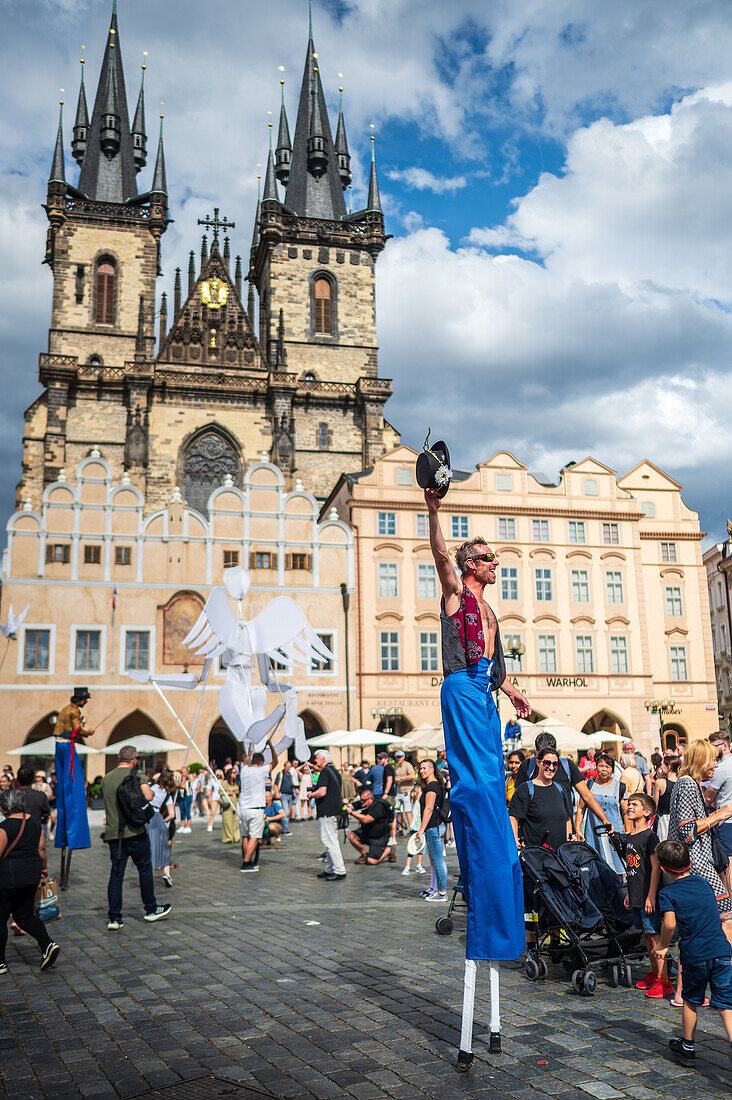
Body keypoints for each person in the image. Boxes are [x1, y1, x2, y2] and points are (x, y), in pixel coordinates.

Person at [425, 488, 529, 964]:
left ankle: (494, 849)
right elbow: (440, 553)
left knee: (493, 777)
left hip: (485, 690)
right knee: (480, 782)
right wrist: (433, 509)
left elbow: (496, 663)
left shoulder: (490, 612)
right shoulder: (457, 595)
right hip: (462, 687)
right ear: (470, 565)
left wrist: (512, 692)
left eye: (496, 559)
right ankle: (482, 845)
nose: (495, 565)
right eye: (488, 559)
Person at [653, 839, 732, 1068]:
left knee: (690, 1000)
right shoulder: (705, 883)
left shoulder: (668, 893)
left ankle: (687, 1047)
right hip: (721, 951)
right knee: (726, 1004)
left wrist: (662, 946)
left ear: (663, 867)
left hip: (695, 955)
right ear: (689, 862)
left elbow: (669, 924)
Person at [669, 738, 732, 948]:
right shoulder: (686, 783)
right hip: (694, 863)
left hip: (693, 863)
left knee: (696, 922)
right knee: (726, 915)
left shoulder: (691, 783)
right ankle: (725, 967)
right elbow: (687, 831)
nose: (715, 765)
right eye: (711, 760)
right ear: (699, 761)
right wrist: (721, 813)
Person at [100, 745, 172, 930]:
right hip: (135, 832)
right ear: (133, 759)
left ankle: (114, 918)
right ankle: (150, 909)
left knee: (116, 874)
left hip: (114, 834)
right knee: (144, 870)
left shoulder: (106, 779)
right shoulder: (136, 774)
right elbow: (148, 796)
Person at [610, 793, 671, 999]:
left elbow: (655, 868)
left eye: (635, 804)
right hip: (636, 894)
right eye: (629, 804)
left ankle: (664, 980)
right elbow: (632, 868)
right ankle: (654, 973)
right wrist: (630, 893)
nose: (629, 807)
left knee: (654, 936)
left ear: (647, 812)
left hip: (648, 896)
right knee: (647, 935)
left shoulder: (650, 837)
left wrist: (651, 896)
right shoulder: (630, 837)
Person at [0, 788, 60, 975]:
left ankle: (0, 962)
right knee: (24, 915)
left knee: (0, 918)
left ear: (4, 807)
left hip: (8, 879)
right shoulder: (34, 823)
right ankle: (47, 944)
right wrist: (43, 868)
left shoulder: (4, 827)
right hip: (31, 876)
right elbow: (41, 849)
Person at [515, 732, 613, 831]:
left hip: (564, 829)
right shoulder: (527, 767)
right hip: (532, 831)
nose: (550, 766)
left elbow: (587, 796)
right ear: (536, 754)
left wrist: (604, 820)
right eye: (544, 760)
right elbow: (517, 803)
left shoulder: (567, 766)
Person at [509, 746, 575, 854]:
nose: (551, 767)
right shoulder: (526, 789)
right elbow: (514, 816)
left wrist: (569, 838)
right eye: (547, 763)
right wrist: (514, 839)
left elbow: (567, 818)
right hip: (535, 856)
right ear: (538, 763)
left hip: (559, 856)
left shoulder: (560, 789)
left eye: (555, 764)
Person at [54, 686, 93, 855]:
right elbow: (77, 729)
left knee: (66, 783)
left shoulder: (65, 709)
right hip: (67, 746)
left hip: (59, 745)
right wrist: (88, 732)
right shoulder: (74, 711)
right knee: (73, 784)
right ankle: (75, 833)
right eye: (85, 699)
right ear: (80, 700)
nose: (85, 702)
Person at [576, 752, 628, 873]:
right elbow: (580, 808)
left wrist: (627, 835)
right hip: (592, 834)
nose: (604, 769)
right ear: (596, 767)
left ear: (612, 770)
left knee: (617, 868)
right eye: (601, 765)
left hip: (614, 835)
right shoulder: (589, 784)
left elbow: (625, 813)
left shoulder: (620, 787)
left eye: (608, 766)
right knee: (594, 868)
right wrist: (578, 829)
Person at [238, 738, 277, 873]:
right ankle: (246, 862)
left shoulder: (244, 770)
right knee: (254, 837)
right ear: (261, 763)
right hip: (255, 809)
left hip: (243, 808)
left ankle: (246, 858)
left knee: (245, 836)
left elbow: (245, 760)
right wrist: (271, 746)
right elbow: (275, 762)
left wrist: (249, 750)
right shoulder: (261, 770)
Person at [413, 759, 448, 902]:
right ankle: (434, 888)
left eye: (424, 768)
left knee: (438, 860)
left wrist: (421, 829)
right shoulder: (431, 785)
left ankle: (442, 893)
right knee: (434, 860)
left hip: (434, 826)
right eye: (420, 768)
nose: (422, 771)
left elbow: (429, 808)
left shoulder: (432, 786)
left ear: (432, 769)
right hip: (433, 827)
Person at [311, 749, 347, 881]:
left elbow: (322, 792)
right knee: (332, 839)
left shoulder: (325, 772)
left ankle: (339, 870)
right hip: (335, 810)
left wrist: (311, 794)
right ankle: (330, 869)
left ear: (323, 759)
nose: (315, 761)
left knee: (329, 841)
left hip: (327, 811)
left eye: (317, 758)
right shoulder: (334, 771)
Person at [346, 787, 394, 865]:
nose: (362, 802)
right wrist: (346, 806)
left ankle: (389, 850)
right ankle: (364, 854)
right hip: (367, 832)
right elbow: (351, 806)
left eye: (364, 800)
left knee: (372, 861)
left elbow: (366, 819)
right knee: (352, 836)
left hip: (379, 837)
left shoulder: (378, 806)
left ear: (371, 799)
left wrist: (351, 813)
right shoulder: (363, 802)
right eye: (361, 799)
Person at [146, 769, 177, 888]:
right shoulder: (167, 795)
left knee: (148, 848)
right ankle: (167, 873)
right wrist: (163, 821)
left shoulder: (151, 786)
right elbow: (172, 815)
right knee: (164, 849)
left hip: (146, 816)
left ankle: (147, 874)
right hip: (157, 818)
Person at [707, 731, 732, 870]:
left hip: (726, 821)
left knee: (728, 862)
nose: (712, 751)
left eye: (714, 747)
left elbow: (709, 798)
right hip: (726, 819)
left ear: (724, 746)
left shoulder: (721, 768)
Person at [401, 785, 426, 877]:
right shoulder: (413, 802)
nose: (419, 794)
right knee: (411, 847)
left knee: (421, 848)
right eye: (418, 793)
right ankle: (407, 866)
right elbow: (408, 812)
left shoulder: (423, 803)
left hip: (421, 828)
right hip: (415, 828)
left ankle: (419, 865)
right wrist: (410, 825)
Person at [653, 755, 679, 841]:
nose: (660, 767)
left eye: (662, 765)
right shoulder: (682, 782)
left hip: (665, 820)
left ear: (669, 767)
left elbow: (654, 805)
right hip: (679, 819)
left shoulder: (660, 783)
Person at [394, 751, 415, 832]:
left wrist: (401, 778)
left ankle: (412, 828)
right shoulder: (397, 767)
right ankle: (400, 829)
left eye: (400, 756)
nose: (398, 758)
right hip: (399, 790)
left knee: (408, 811)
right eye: (397, 757)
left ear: (403, 757)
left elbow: (412, 776)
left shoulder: (408, 765)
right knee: (398, 811)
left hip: (407, 790)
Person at [274, 760, 297, 831]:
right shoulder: (280, 774)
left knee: (288, 812)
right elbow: (275, 784)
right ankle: (284, 829)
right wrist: (277, 793)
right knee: (285, 812)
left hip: (290, 795)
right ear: (285, 766)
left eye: (290, 766)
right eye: (289, 766)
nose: (290, 768)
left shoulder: (289, 774)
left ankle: (284, 827)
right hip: (284, 795)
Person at [220, 769, 240, 845]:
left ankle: (236, 837)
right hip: (227, 805)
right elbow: (220, 791)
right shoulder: (225, 783)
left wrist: (237, 793)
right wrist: (228, 793)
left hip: (234, 804)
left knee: (235, 822)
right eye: (234, 773)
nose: (235, 774)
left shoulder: (235, 783)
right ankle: (228, 838)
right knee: (227, 822)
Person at [176, 767, 193, 834]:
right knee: (182, 811)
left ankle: (188, 826)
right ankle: (182, 826)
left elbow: (183, 785)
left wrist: (184, 774)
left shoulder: (188, 777)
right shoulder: (180, 778)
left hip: (188, 796)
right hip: (181, 796)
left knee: (187, 811)